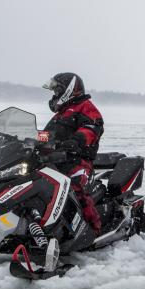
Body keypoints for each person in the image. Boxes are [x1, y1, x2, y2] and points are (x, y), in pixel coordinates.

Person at [42, 72, 104, 234]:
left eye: (57, 91)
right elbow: (46, 135)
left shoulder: (85, 106)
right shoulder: (59, 114)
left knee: (75, 187)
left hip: (77, 160)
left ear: (69, 90)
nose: (55, 95)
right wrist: (29, 139)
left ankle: (94, 229)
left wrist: (77, 140)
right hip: (55, 159)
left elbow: (93, 127)